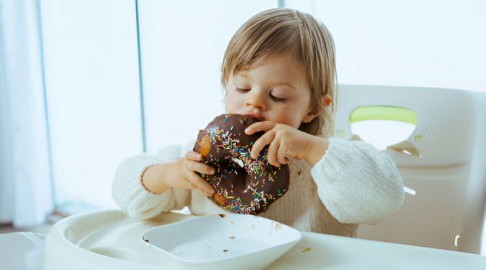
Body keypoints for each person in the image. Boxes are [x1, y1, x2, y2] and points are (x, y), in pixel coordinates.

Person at [112, 8, 404, 237]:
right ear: (226, 86)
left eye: (277, 96)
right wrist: (167, 175)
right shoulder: (197, 161)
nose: (255, 102)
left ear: (313, 109)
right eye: (242, 88)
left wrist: (315, 150)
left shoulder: (327, 163)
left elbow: (385, 200)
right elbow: (126, 195)